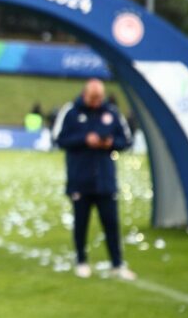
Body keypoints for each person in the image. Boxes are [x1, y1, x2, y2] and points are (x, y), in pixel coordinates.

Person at [53, 78, 135, 280]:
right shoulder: (71, 112)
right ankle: (81, 261)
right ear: (85, 94)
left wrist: (110, 143)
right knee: (81, 223)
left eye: (99, 99)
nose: (96, 102)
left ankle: (117, 264)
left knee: (111, 224)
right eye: (93, 99)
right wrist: (84, 139)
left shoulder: (112, 112)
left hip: (105, 180)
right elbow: (58, 139)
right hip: (79, 179)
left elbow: (126, 140)